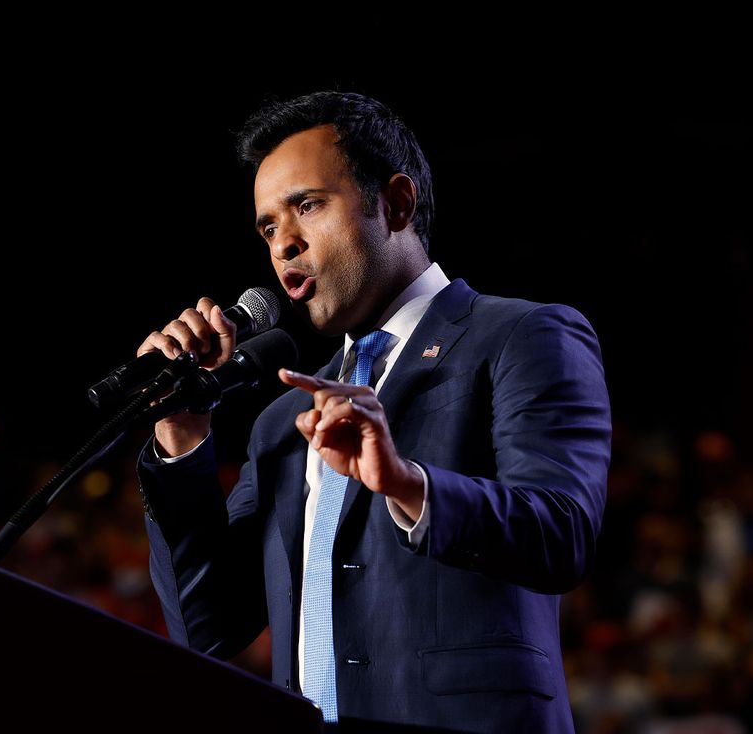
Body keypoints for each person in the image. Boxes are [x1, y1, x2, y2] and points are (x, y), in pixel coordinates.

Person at [133, 91, 611, 732]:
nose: (285, 245)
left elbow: (561, 534)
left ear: (397, 204)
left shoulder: (523, 336)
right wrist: (181, 434)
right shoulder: (285, 421)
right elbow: (208, 629)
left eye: (307, 206)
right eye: (269, 227)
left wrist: (407, 483)